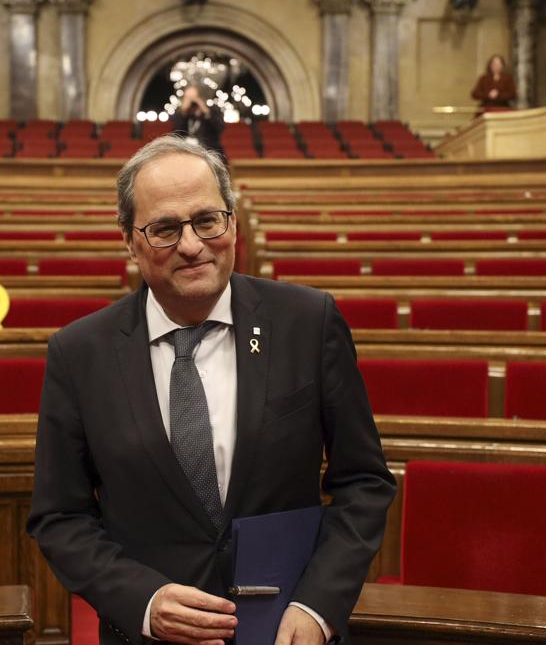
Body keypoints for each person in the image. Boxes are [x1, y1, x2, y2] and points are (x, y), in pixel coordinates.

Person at [27, 135, 395, 645]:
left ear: (233, 223)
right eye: (164, 228)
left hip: (287, 632)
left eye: (207, 220)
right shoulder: (79, 352)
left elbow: (365, 483)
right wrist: (145, 602)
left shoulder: (308, 323)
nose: (192, 245)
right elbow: (60, 517)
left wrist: (318, 606)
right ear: (130, 240)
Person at [172, 85, 226, 157]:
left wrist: (205, 110)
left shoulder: (212, 110)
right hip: (186, 148)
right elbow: (176, 133)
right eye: (188, 97)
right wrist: (183, 112)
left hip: (208, 149)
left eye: (194, 97)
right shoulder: (182, 114)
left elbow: (219, 128)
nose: (191, 101)